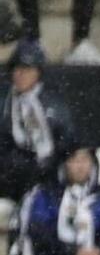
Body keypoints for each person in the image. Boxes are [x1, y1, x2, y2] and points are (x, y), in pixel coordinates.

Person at [1, 43, 74, 205]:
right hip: (8, 177)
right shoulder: (5, 101)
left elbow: (66, 140)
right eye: (17, 70)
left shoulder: (53, 103)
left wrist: (47, 163)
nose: (21, 75)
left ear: (38, 73)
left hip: (46, 175)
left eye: (27, 70)